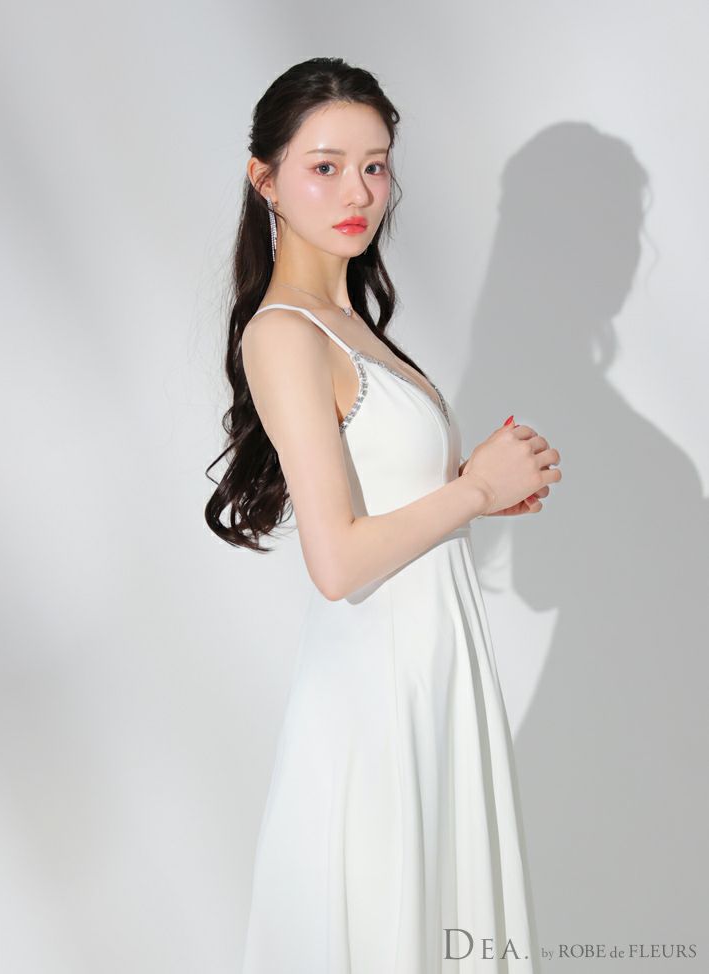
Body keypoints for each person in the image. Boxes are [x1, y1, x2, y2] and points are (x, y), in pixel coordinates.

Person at [205, 57, 561, 974]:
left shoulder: (351, 322)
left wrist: (476, 489)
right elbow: (338, 563)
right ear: (265, 178)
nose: (359, 192)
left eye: (375, 165)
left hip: (431, 675)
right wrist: (473, 491)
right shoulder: (285, 332)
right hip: (376, 696)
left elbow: (389, 507)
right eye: (325, 166)